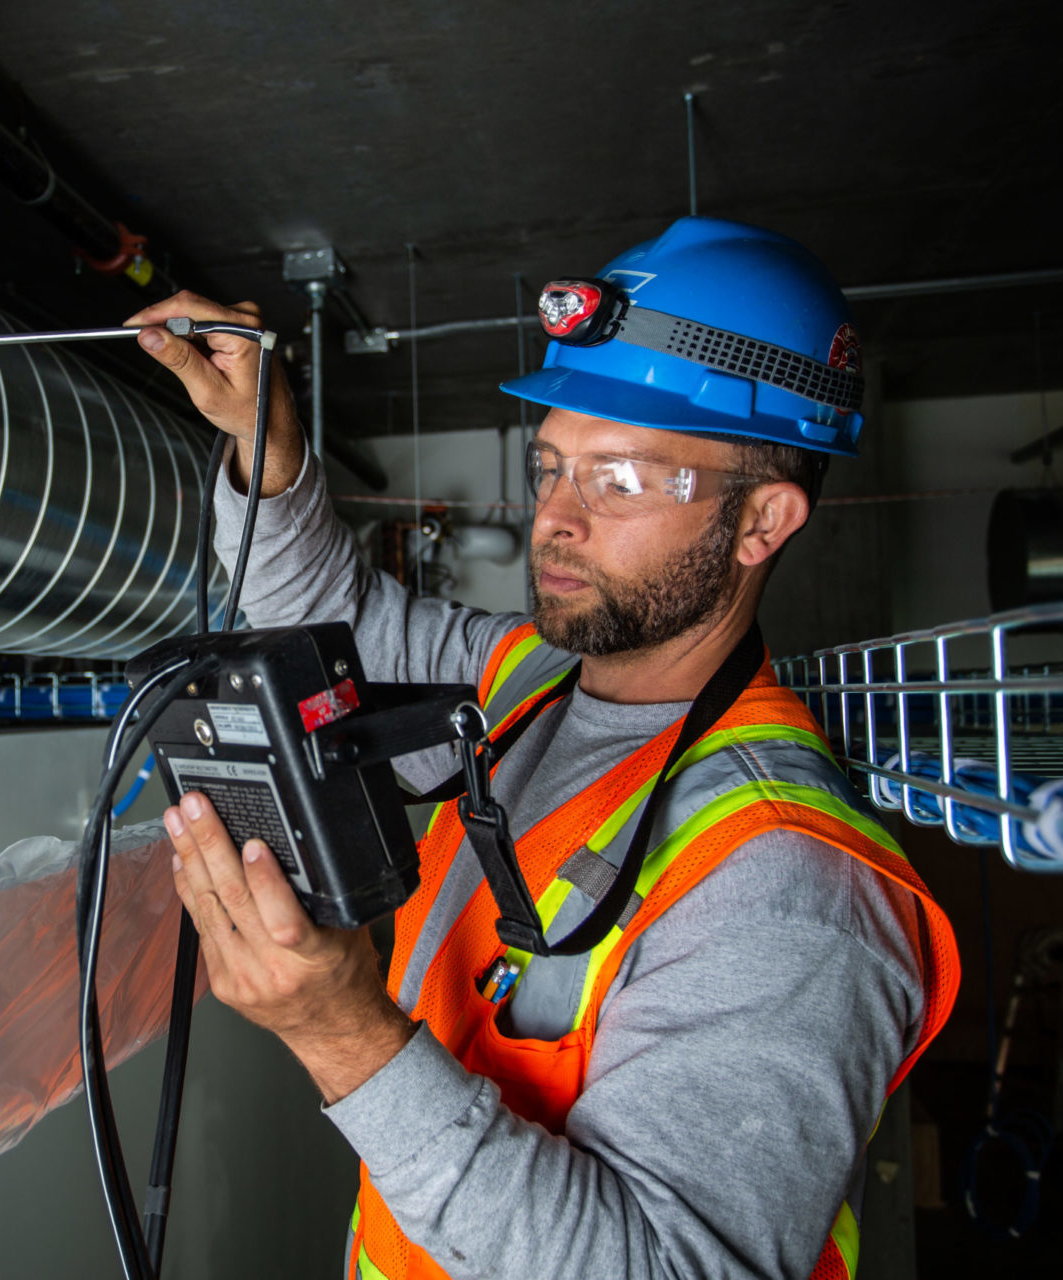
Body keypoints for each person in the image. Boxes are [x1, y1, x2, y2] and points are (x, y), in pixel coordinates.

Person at [125, 217, 960, 1280]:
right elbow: (326, 628)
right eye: (551, 464)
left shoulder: (786, 884)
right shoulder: (525, 678)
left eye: (617, 480)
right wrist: (268, 447)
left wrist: (341, 1033)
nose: (551, 520)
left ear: (761, 520)